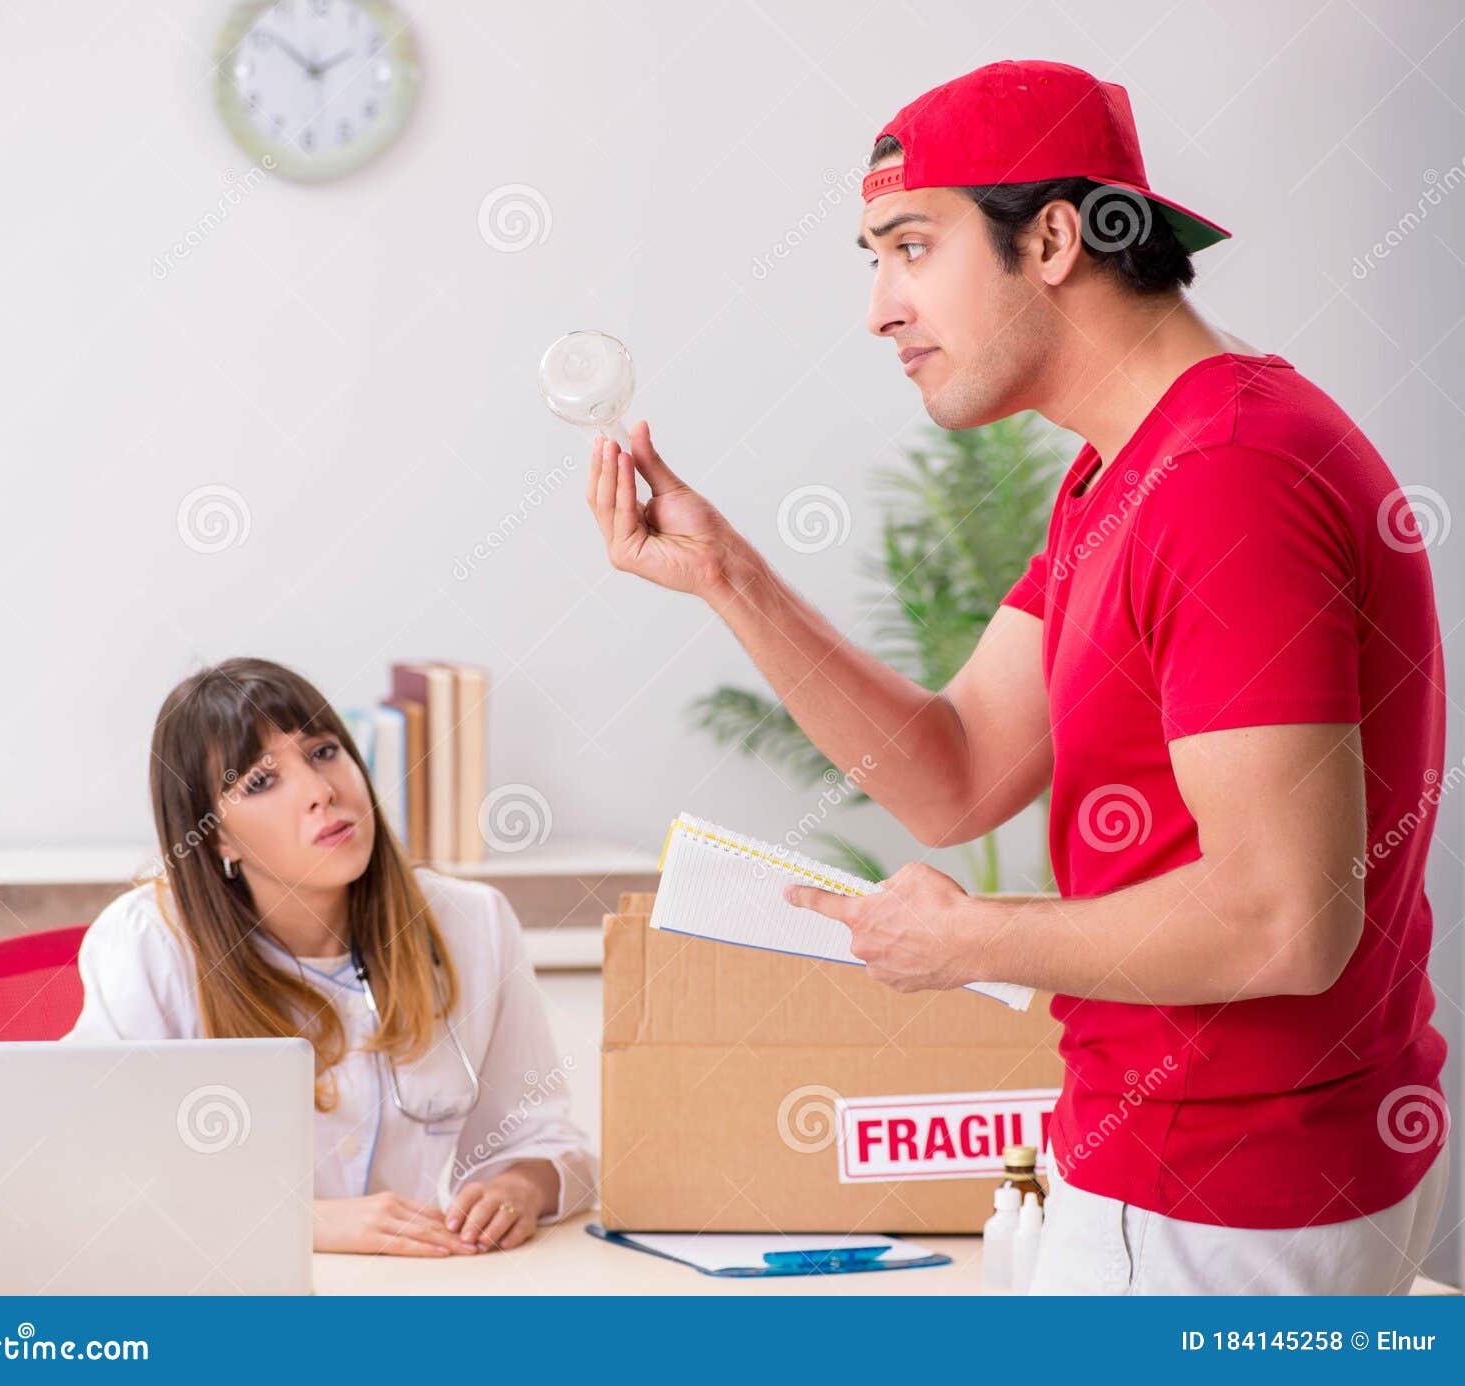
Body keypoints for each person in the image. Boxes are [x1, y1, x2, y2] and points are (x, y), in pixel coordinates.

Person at [586, 59, 1449, 1294]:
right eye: (872, 257)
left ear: (1052, 239)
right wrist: (730, 578)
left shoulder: (1226, 478)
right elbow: (958, 773)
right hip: (1222, 1177)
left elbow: (1284, 920)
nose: (880, 307)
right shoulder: (1124, 474)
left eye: (909, 246)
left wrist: (969, 940)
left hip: (1213, 1192)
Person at [65, 657, 595, 1257]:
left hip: (414, 1291)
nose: (322, 793)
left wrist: (520, 1186)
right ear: (215, 836)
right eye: (261, 782)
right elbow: (101, 1180)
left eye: (322, 752)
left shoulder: (472, 922)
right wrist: (307, 1223)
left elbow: (546, 1139)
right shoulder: (146, 945)